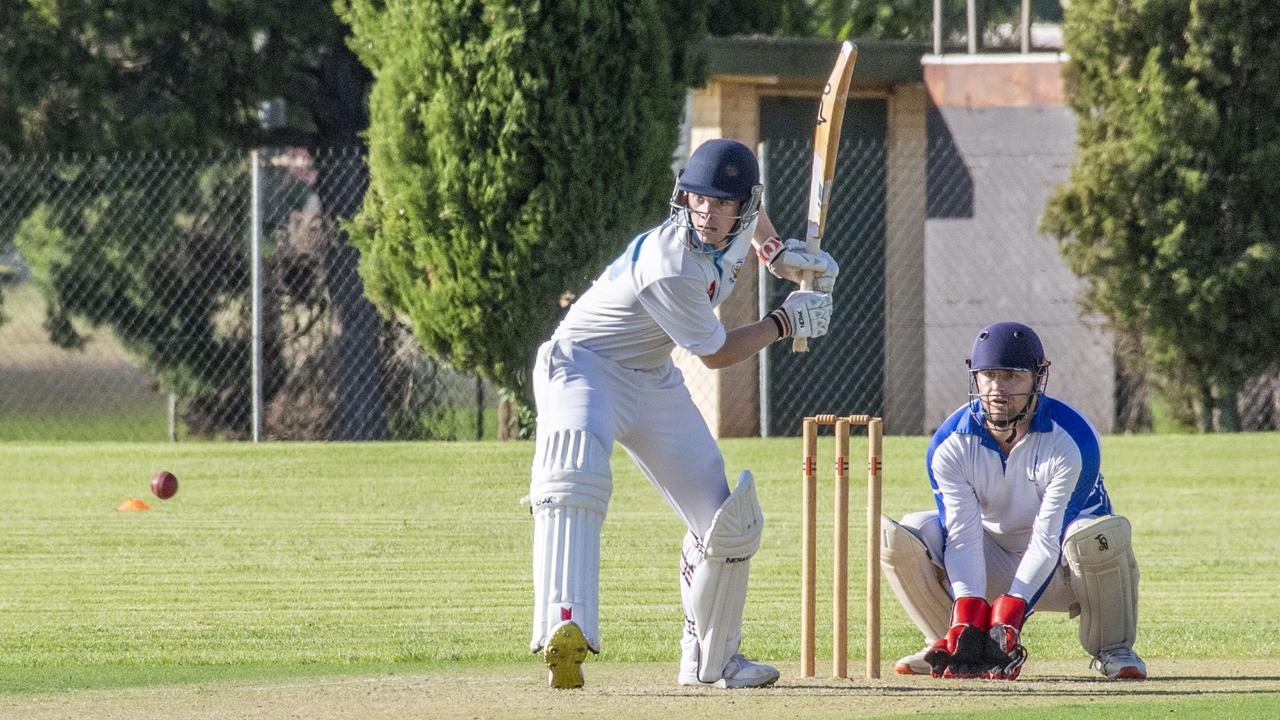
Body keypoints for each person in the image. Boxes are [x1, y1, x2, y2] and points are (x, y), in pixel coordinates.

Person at [527, 138, 837, 689]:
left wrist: (776, 253)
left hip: (652, 379)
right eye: (699, 201)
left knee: (729, 522)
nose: (709, 214)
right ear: (683, 198)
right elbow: (715, 354)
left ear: (742, 205)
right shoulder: (670, 265)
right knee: (575, 475)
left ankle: (710, 662)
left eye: (722, 204)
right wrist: (785, 322)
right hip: (584, 366)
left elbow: (756, 217)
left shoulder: (741, 221)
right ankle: (563, 629)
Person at [880, 321, 1146, 681]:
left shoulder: (1073, 438)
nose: (997, 389)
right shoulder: (950, 443)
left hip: (1070, 572)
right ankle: (951, 640)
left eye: (1011, 377)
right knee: (904, 532)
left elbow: (1048, 536)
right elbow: (962, 537)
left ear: (1038, 378)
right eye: (987, 376)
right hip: (992, 558)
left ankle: (1114, 648)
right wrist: (970, 613)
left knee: (1098, 535)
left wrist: (1010, 614)